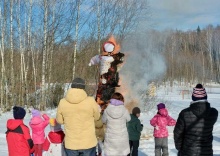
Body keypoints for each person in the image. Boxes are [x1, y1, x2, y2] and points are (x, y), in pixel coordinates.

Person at [56, 77, 100, 156]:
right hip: (88, 142)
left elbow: (60, 121)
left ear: (72, 86)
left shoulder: (62, 102)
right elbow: (97, 117)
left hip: (71, 143)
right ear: (83, 87)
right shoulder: (90, 101)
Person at [174, 83, 218, 156]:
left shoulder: (185, 113)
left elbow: (178, 133)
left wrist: (180, 148)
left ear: (193, 97)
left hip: (188, 152)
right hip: (207, 152)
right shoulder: (213, 113)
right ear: (206, 97)